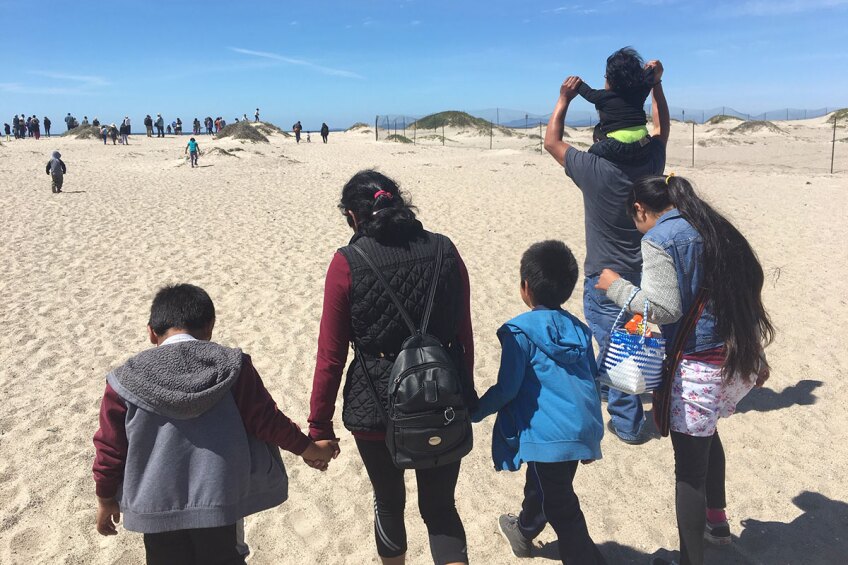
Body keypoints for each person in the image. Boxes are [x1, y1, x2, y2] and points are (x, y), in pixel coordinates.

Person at [594, 175, 774, 565]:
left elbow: (663, 309)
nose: (638, 225)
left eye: (635, 218)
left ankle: (691, 560)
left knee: (689, 472)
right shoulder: (711, 226)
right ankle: (718, 523)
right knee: (708, 436)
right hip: (732, 357)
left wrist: (616, 286)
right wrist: (757, 353)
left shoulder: (659, 238)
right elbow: (741, 296)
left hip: (698, 367)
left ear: (641, 209)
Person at [92, 284, 338, 565]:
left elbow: (109, 447)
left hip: (156, 507)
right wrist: (310, 450)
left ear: (151, 332)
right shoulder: (233, 367)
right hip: (219, 501)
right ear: (210, 328)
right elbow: (267, 421)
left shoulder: (125, 380)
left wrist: (105, 496)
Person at [307, 170, 477, 565]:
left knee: (388, 502)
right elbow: (464, 334)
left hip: (377, 403)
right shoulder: (444, 249)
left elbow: (330, 357)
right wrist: (466, 392)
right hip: (441, 396)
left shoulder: (347, 263)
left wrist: (319, 426)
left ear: (352, 216)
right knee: (441, 509)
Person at [543, 59, 669, 445]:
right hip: (644, 274)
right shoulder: (652, 158)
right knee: (623, 338)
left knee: (621, 348)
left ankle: (628, 426)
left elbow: (551, 141)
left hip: (605, 278)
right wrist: (658, 86)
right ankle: (607, 385)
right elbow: (661, 127)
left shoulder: (593, 165)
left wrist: (563, 99)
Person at [472, 240, 606, 564]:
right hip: (578, 427)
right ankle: (523, 531)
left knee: (562, 507)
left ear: (525, 288)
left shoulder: (520, 332)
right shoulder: (580, 331)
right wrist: (591, 439)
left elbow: (508, 388)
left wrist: (474, 411)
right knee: (546, 485)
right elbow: (592, 381)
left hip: (549, 434)